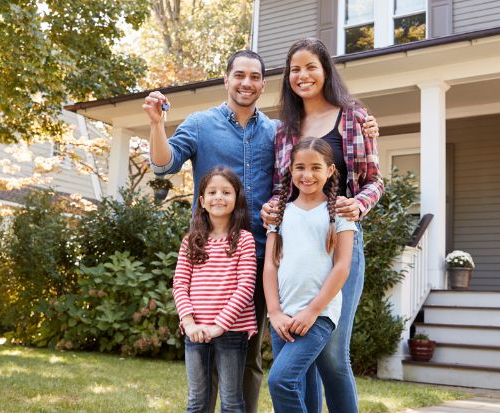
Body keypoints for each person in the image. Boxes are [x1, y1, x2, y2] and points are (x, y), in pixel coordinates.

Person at [143, 49, 378, 413]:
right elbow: (163, 165)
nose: (246, 83)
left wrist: (368, 133)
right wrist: (157, 124)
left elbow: (299, 181)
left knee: (251, 358)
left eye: (254, 77)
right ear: (226, 79)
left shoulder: (277, 130)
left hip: (270, 253)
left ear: (264, 84)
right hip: (218, 258)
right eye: (239, 75)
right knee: (207, 355)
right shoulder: (202, 124)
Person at [262, 37, 383, 412]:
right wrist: (270, 209)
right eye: (295, 69)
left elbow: (374, 181)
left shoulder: (355, 117)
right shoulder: (284, 129)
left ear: (326, 70)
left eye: (311, 67)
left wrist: (355, 205)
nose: (303, 75)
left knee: (331, 355)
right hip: (296, 247)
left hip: (339, 241)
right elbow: (280, 189)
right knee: (303, 359)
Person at [263, 137, 356, 413]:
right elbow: (270, 265)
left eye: (316, 167)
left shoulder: (340, 211)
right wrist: (275, 312)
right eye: (300, 167)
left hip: (318, 315)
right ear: (290, 170)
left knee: (281, 380)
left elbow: (342, 267)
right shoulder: (280, 213)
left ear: (330, 171)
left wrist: (312, 311)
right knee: (301, 386)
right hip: (283, 317)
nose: (307, 175)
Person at [174, 167, 258, 413]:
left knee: (231, 402)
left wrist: (220, 325)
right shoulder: (191, 241)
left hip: (231, 330)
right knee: (197, 402)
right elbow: (180, 284)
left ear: (236, 198)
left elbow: (245, 287)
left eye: (226, 192)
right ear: (202, 201)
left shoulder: (244, 240)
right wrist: (189, 323)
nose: (218, 197)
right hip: (196, 331)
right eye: (212, 192)